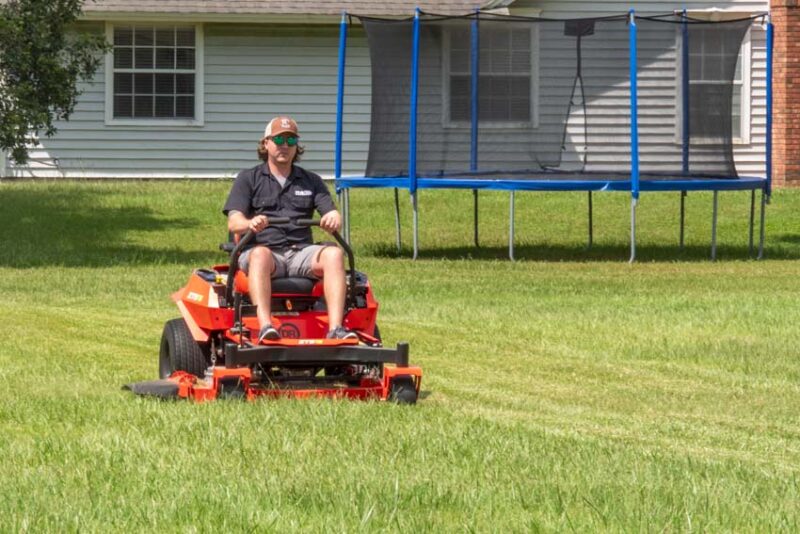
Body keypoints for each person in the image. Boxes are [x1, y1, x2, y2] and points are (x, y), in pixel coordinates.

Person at [223, 116, 357, 342]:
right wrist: (250, 223)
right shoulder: (248, 178)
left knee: (334, 253)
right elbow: (234, 222)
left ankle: (336, 328)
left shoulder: (311, 180)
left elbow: (331, 212)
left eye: (291, 140)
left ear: (297, 146)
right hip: (264, 251)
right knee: (260, 254)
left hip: (300, 252)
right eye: (278, 139)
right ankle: (266, 326)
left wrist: (333, 218)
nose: (285, 145)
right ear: (266, 143)